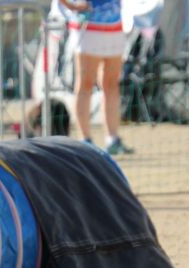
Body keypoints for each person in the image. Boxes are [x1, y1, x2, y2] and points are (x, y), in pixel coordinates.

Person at [58, 0, 134, 156]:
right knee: (85, 84)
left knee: (111, 84)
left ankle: (112, 139)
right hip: (88, 28)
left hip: (115, 27)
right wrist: (72, 5)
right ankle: (85, 140)